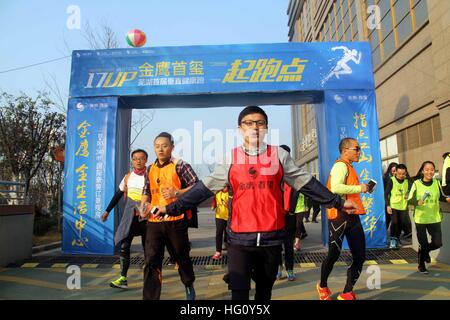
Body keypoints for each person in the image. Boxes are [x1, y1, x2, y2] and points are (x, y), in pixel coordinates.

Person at [153, 106, 357, 301]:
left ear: (266, 128)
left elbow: (306, 183)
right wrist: (170, 208)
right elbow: (203, 188)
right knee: (239, 293)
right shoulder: (230, 158)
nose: (255, 127)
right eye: (249, 123)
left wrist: (337, 202)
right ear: (240, 129)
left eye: (260, 123)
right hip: (239, 240)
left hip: (271, 239)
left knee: (264, 292)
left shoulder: (279, 155)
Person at [139, 132, 199, 300]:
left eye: (164, 146)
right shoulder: (149, 168)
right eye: (157, 146)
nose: (161, 149)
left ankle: (188, 284)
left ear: (172, 147)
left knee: (181, 257)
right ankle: (151, 297)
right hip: (154, 221)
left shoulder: (180, 166)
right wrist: (143, 205)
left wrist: (178, 192)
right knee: (151, 260)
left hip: (176, 221)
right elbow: (146, 191)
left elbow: (197, 186)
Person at [317, 137, 369, 300]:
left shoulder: (349, 167)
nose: (359, 151)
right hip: (339, 216)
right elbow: (336, 188)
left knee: (360, 256)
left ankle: (347, 292)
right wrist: (359, 188)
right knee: (333, 254)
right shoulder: (340, 165)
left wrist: (363, 189)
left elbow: (348, 189)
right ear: (345, 150)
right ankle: (322, 286)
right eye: (357, 148)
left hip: (353, 217)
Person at [101, 149, 149, 289]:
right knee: (124, 246)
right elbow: (118, 194)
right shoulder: (128, 177)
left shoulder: (151, 175)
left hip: (145, 217)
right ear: (132, 161)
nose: (138, 161)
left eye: (141, 158)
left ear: (146, 160)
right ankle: (123, 278)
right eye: (135, 158)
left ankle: (150, 277)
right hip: (129, 217)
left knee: (148, 248)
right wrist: (107, 211)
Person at [408, 161, 450, 274]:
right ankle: (421, 265)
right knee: (423, 242)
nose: (429, 172)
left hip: (435, 217)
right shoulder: (416, 183)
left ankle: (424, 252)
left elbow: (442, 196)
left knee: (437, 243)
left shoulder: (437, 183)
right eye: (427, 169)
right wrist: (417, 201)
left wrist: (447, 199)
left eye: (432, 169)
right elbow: (409, 199)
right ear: (422, 171)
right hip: (420, 219)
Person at [277, 144, 297, 281]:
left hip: (289, 215)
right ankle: (278, 268)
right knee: (277, 245)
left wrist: (291, 210)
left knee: (288, 245)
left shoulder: (292, 170)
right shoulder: (273, 170)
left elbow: (296, 191)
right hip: (277, 215)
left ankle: (290, 269)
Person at [385, 164, 410, 249]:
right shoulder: (392, 180)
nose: (401, 175)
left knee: (400, 223)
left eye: (403, 174)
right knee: (395, 222)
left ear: (406, 173)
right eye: (399, 173)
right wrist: (388, 205)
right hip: (393, 206)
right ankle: (392, 240)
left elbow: (409, 191)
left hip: (403, 206)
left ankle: (397, 239)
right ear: (395, 172)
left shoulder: (407, 181)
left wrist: (408, 195)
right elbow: (386, 193)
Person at [211, 186, 230, 260]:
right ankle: (218, 251)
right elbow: (214, 201)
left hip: (229, 217)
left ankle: (229, 248)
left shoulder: (230, 193)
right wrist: (213, 206)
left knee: (228, 233)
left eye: (225, 186)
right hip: (219, 216)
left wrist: (229, 205)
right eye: (223, 186)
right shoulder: (218, 192)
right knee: (219, 233)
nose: (224, 188)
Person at [383, 162, 398, 230]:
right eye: (393, 171)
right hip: (388, 202)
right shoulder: (387, 178)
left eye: (396, 171)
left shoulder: (399, 178)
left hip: (396, 202)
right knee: (389, 219)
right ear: (390, 171)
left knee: (396, 220)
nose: (395, 173)